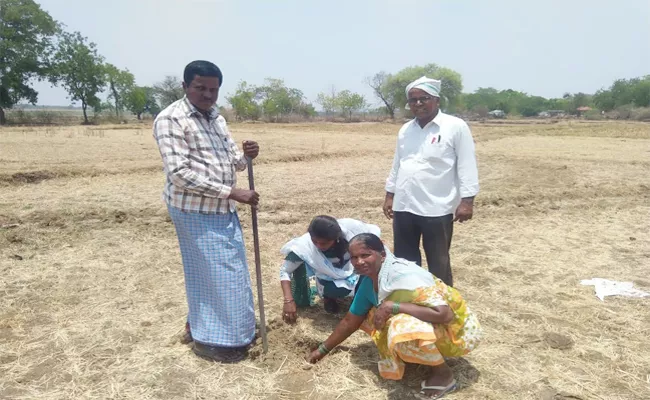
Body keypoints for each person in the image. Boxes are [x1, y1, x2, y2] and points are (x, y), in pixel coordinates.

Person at [153, 60, 260, 363]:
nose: (208, 95)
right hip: (194, 210)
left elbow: (229, 162)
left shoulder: (216, 118)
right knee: (219, 273)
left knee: (221, 272)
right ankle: (218, 340)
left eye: (213, 90)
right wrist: (232, 192)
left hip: (222, 208)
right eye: (200, 88)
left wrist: (246, 157)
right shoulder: (171, 119)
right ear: (185, 86)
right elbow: (179, 174)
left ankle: (216, 327)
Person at [307, 233, 481, 399]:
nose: (359, 262)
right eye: (353, 257)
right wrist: (322, 350)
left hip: (456, 333)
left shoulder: (405, 275)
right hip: (435, 326)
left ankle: (443, 374)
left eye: (366, 255)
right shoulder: (371, 280)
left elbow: (445, 314)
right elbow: (350, 321)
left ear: (382, 254)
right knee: (373, 315)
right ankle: (422, 353)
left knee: (399, 326)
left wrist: (394, 306)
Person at [383, 76, 479, 287]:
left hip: (437, 207)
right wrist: (390, 194)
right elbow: (398, 163)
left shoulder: (455, 127)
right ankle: (413, 301)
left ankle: (443, 304)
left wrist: (467, 200)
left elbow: (467, 164)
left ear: (436, 99)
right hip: (405, 206)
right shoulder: (406, 130)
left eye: (423, 98)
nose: (418, 104)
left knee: (439, 262)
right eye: (413, 100)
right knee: (405, 262)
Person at [280, 216, 380, 322]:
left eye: (323, 243)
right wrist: (288, 300)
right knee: (336, 289)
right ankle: (329, 297)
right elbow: (285, 271)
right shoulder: (304, 246)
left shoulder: (351, 231)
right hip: (326, 278)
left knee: (369, 269)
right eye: (315, 241)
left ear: (335, 238)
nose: (318, 246)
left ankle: (360, 300)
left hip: (354, 271)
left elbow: (374, 241)